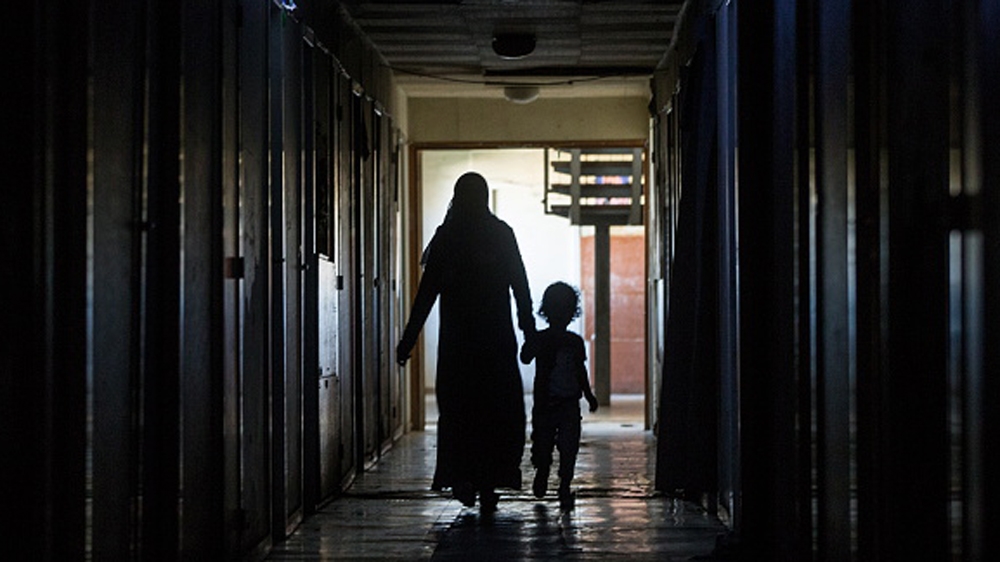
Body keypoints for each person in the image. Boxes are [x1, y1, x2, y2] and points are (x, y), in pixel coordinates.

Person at [396, 171, 536, 513]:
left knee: (460, 412)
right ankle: (488, 482)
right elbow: (520, 284)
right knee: (496, 411)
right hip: (496, 340)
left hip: (459, 344)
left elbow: (426, 295)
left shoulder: (449, 237)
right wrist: (528, 331)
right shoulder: (500, 234)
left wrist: (408, 338)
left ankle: (464, 478)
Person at [519, 281, 598, 511]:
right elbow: (526, 357)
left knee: (564, 445)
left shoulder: (569, 342)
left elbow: (580, 371)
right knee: (551, 444)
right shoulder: (560, 341)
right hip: (552, 404)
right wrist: (588, 395)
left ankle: (560, 482)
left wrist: (588, 395)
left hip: (562, 404)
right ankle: (549, 475)